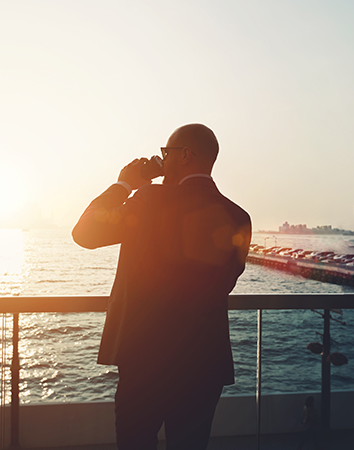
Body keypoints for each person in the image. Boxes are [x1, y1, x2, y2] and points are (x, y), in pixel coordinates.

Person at [72, 123, 251, 450]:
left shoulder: (150, 200)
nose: (161, 159)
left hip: (145, 360)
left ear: (185, 155)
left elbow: (85, 233)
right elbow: (222, 284)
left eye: (165, 153)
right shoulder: (238, 216)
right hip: (204, 364)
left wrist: (125, 183)